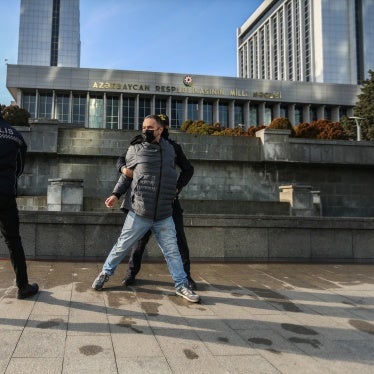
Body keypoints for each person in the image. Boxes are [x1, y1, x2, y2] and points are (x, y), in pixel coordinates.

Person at [93, 115, 200, 303]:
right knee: (122, 246)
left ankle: (182, 285)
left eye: (150, 127)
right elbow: (127, 175)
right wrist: (115, 195)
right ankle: (105, 273)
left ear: (160, 129)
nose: (146, 130)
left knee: (172, 251)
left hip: (165, 213)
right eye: (143, 127)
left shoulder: (172, 150)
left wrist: (176, 188)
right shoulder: (135, 148)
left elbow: (186, 170)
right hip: (139, 211)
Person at [0, 111, 39, 299]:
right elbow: (20, 166)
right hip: (5, 194)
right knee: (13, 241)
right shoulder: (15, 135)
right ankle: (23, 286)